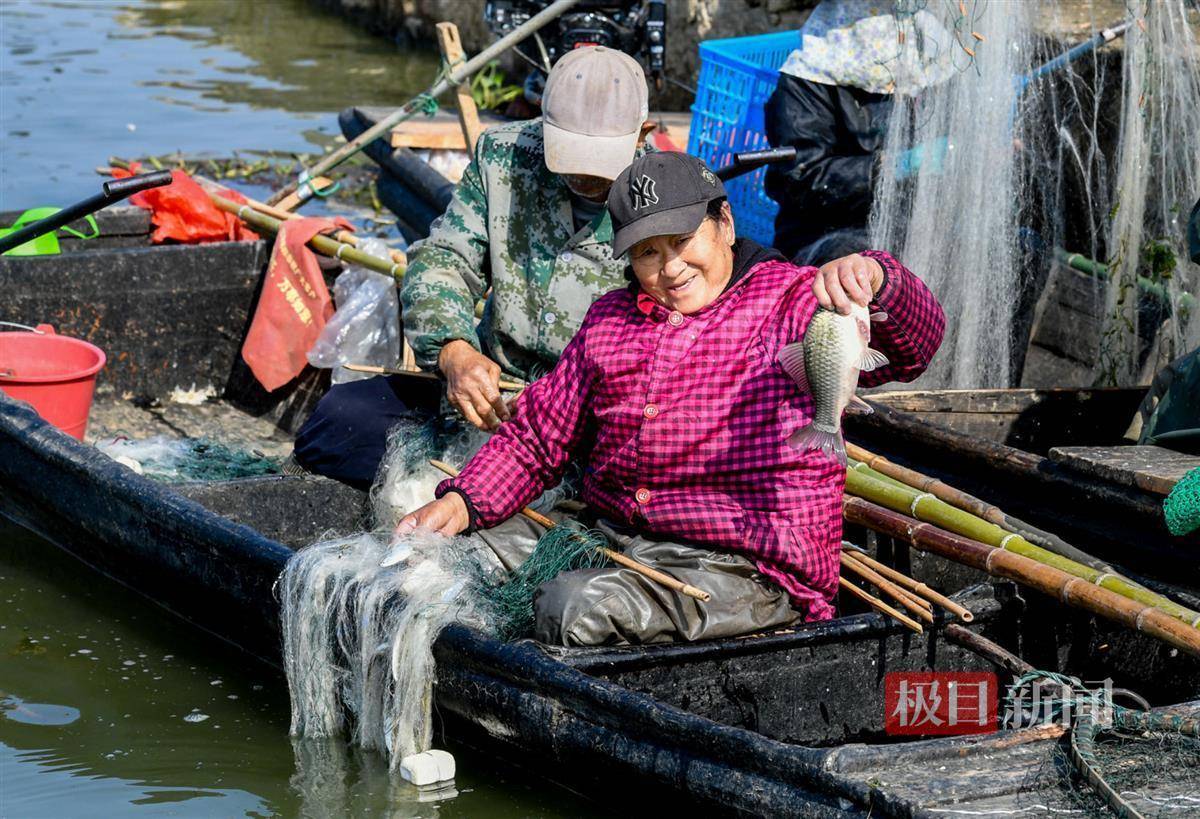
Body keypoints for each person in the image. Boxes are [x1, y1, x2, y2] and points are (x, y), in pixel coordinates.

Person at [398, 152, 946, 646]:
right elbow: (538, 437)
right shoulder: (609, 319)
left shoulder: (794, 299)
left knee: (572, 609)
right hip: (612, 535)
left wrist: (878, 276)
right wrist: (462, 501)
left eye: (682, 242)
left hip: (745, 567)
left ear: (725, 224)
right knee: (461, 557)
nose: (671, 269)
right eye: (647, 253)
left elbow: (915, 348)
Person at [290, 46, 657, 489]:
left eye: (597, 161)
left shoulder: (666, 193)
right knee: (337, 425)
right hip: (489, 399)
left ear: (643, 135)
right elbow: (444, 259)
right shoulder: (503, 157)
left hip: (588, 424)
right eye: (571, 153)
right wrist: (454, 353)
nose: (582, 175)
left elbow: (681, 330)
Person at [764, 0, 954, 264]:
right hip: (828, 234)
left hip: (914, 225)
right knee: (856, 265)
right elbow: (800, 177)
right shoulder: (808, 79)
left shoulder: (929, 71)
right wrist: (892, 167)